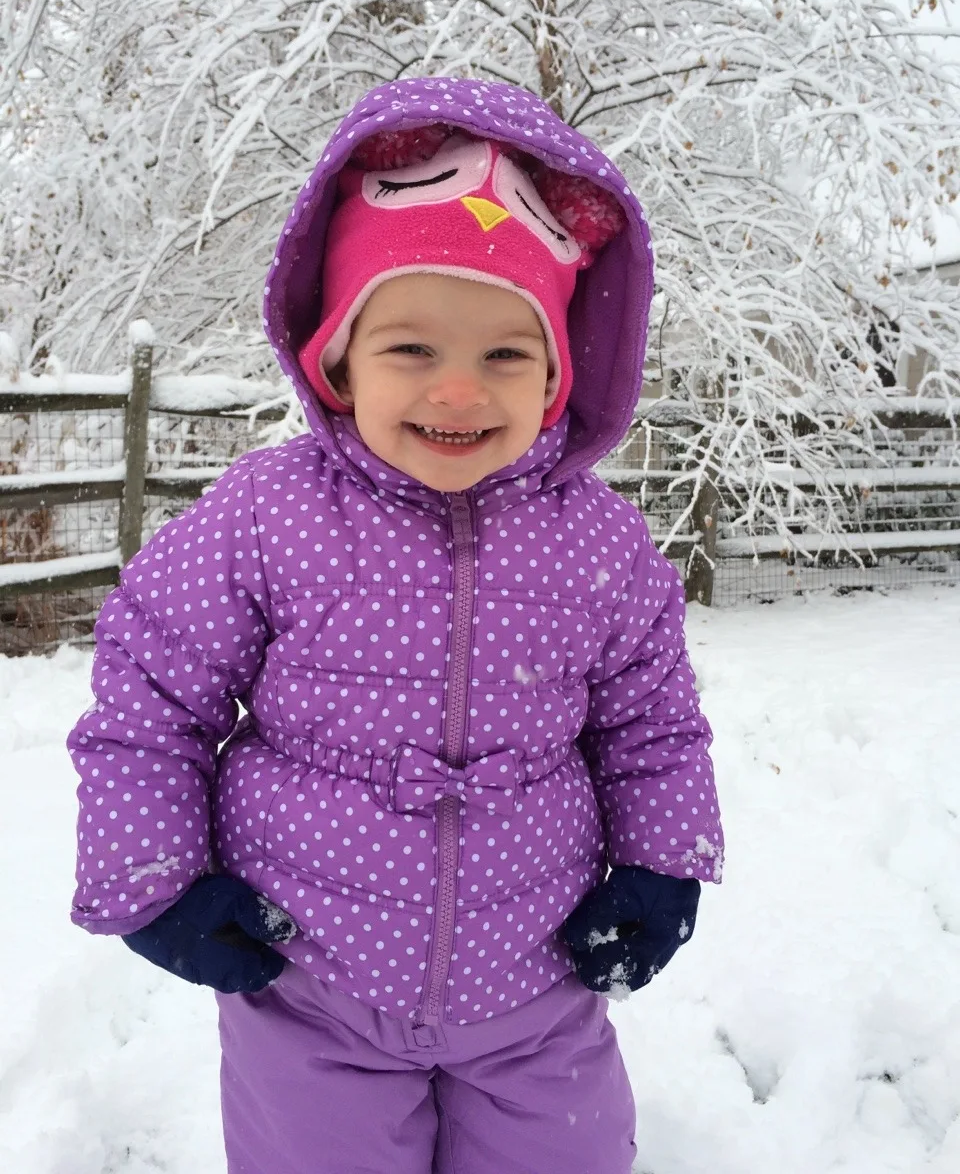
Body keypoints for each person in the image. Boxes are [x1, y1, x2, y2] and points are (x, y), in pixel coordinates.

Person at [67, 78, 723, 1174]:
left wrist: (662, 863)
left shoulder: (600, 543)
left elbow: (652, 719)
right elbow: (150, 688)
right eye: (412, 349)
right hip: (310, 983)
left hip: (536, 987)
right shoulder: (270, 515)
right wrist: (156, 879)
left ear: (560, 376)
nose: (459, 390)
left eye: (506, 355)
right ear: (336, 359)